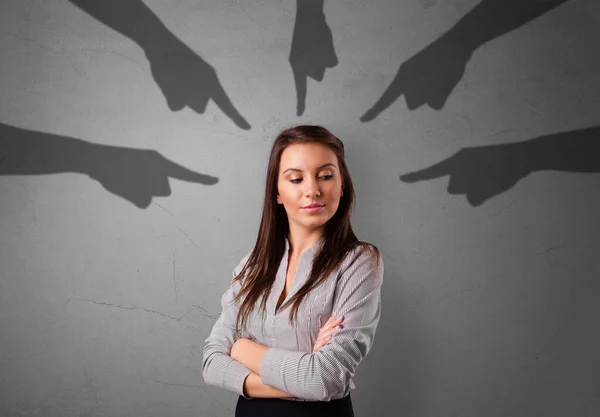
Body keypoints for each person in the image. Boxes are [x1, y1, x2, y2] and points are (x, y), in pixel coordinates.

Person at [201, 125, 384, 416]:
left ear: (342, 185)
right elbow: (211, 363)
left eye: (325, 176)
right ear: (277, 192)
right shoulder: (252, 265)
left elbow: (327, 377)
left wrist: (243, 350)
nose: (312, 190)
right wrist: (304, 375)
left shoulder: (359, 262)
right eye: (296, 179)